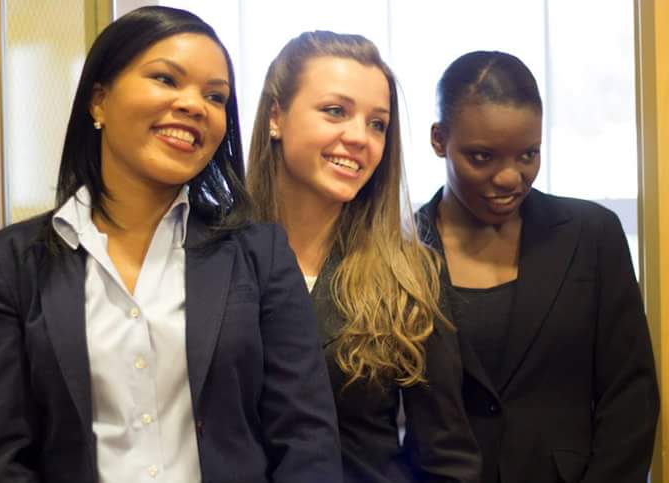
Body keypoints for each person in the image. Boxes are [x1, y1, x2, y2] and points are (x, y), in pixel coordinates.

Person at [0, 7, 342, 483]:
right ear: (98, 101)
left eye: (215, 96)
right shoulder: (3, 266)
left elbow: (306, 440)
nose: (194, 105)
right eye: (165, 79)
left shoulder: (260, 254)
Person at [247, 30, 481, 483]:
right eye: (336, 111)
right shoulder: (212, 257)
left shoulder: (410, 274)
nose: (359, 137)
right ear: (276, 115)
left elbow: (446, 457)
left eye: (377, 123)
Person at [415, 50, 659, 483]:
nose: (510, 177)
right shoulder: (398, 252)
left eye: (528, 154)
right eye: (482, 157)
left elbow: (630, 397)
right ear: (439, 140)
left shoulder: (591, 236)